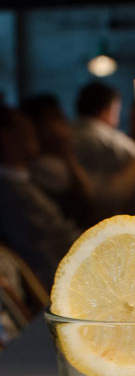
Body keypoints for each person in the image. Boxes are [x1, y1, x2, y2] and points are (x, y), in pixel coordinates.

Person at [0, 105, 80, 291]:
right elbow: (42, 258)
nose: (34, 136)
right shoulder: (10, 195)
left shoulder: (28, 178)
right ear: (6, 138)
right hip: (68, 282)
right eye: (25, 131)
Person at [20, 93, 94, 229]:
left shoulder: (54, 161)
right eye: (56, 117)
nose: (65, 123)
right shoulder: (45, 166)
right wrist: (65, 150)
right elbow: (87, 195)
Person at [72, 81, 135, 218]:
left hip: (78, 214)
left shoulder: (70, 133)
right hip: (107, 212)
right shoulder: (106, 137)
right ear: (107, 110)